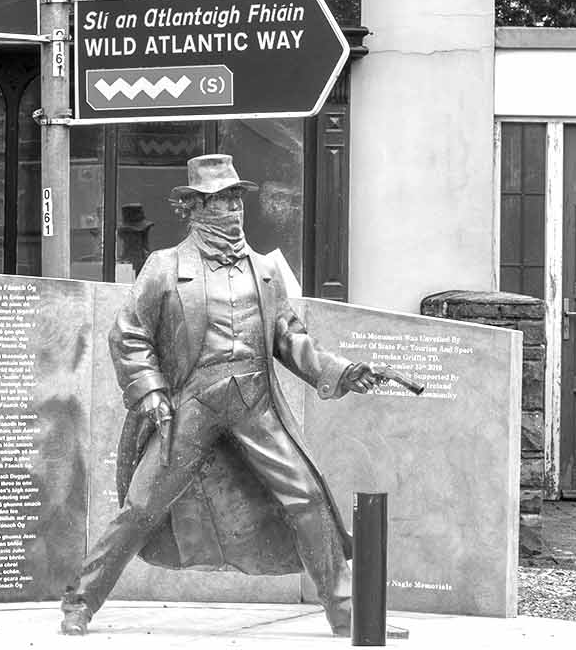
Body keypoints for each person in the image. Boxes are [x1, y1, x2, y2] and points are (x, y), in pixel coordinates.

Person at [60, 154, 388, 637]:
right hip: (193, 404)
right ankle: (81, 600)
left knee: (308, 497)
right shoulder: (165, 267)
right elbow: (128, 334)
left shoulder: (266, 270)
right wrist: (150, 390)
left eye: (236, 198)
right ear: (194, 209)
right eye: (220, 200)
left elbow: (289, 338)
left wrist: (341, 372)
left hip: (255, 404)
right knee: (143, 506)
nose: (233, 209)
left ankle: (343, 610)